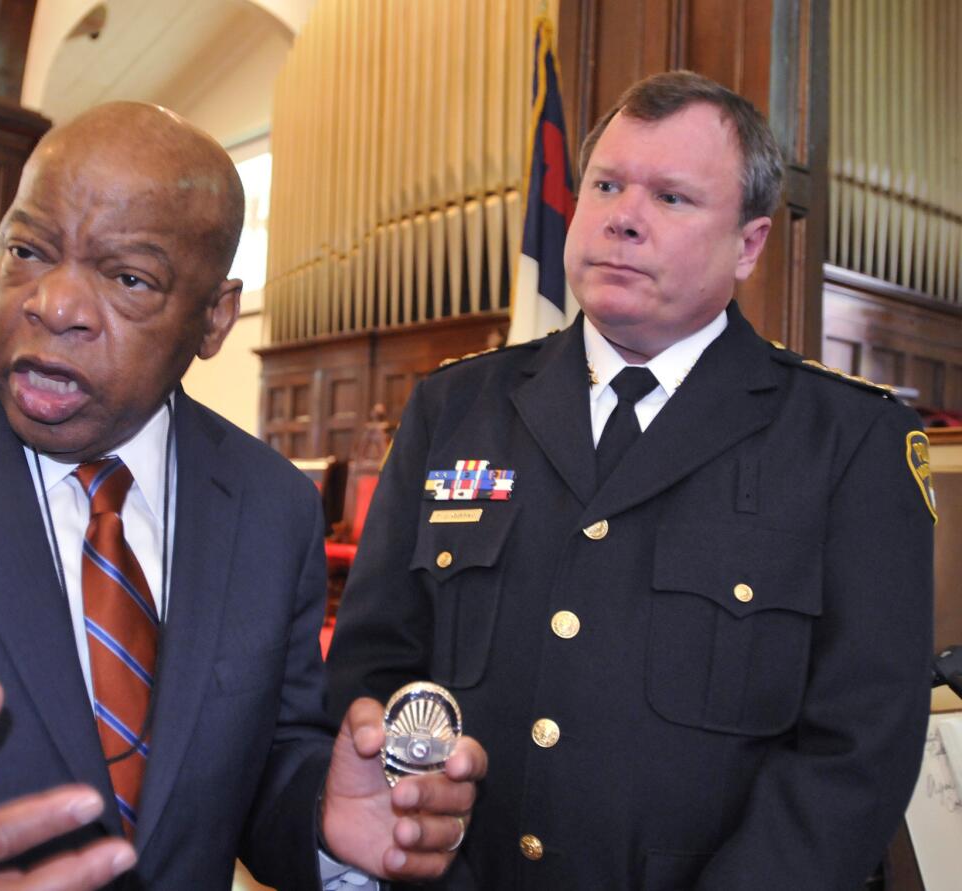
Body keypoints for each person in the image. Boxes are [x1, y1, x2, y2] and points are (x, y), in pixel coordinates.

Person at [0, 102, 485, 890]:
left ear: (214, 319)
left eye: (128, 277)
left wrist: (322, 815)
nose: (54, 304)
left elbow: (263, 761)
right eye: (29, 250)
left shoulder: (270, 505)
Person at [326, 70, 935, 889]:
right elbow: (374, 668)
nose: (622, 218)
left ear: (750, 244)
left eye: (672, 198)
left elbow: (857, 747)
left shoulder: (849, 438)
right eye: (606, 185)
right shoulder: (456, 405)